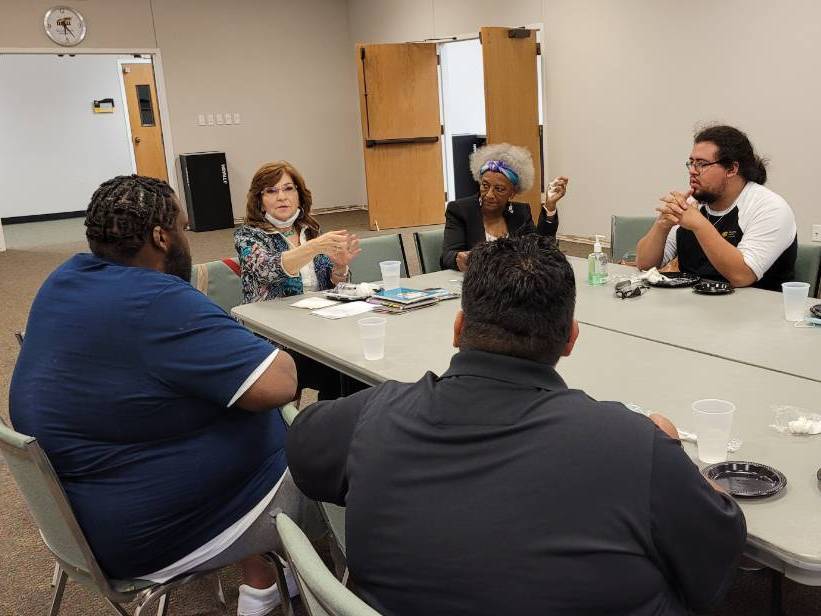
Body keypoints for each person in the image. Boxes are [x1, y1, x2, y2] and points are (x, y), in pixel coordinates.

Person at [286, 235, 747, 616]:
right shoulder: (634, 444)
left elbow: (306, 455)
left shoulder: (378, 411)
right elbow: (714, 559)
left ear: (458, 328)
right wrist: (672, 454)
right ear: (570, 340)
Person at [10, 175, 318, 616]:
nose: (188, 240)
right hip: (160, 534)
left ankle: (262, 580)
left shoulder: (65, 278)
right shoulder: (158, 300)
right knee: (340, 445)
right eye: (184, 228)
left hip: (86, 515)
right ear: (161, 237)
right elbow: (280, 383)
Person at [234, 161, 361, 400]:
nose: (281, 197)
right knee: (337, 366)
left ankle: (335, 416)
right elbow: (268, 270)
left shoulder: (310, 230)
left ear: (299, 195)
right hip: (274, 338)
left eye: (288, 189)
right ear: (259, 200)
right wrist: (313, 247)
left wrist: (340, 267)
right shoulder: (248, 236)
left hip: (318, 327)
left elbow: (335, 288)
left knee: (354, 365)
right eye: (271, 191)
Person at [636, 125, 797, 290]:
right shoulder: (692, 203)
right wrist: (662, 226)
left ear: (731, 169)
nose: (692, 171)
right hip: (693, 301)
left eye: (702, 164)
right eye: (691, 163)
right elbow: (645, 265)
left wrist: (700, 225)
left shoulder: (770, 208)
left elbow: (742, 277)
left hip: (755, 304)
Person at [440, 142, 569, 271]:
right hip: (475, 280)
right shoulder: (460, 210)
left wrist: (550, 206)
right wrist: (458, 258)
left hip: (511, 280)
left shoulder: (520, 212)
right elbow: (447, 256)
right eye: (485, 186)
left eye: (499, 189)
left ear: (512, 193)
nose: (489, 195)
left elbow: (540, 249)